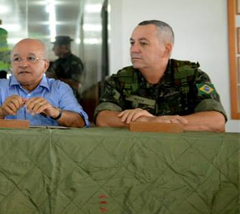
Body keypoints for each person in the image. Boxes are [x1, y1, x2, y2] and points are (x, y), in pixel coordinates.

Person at [94, 20, 226, 132]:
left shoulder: (193, 76)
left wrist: (159, 123)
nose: (134, 49)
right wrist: (148, 121)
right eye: (132, 43)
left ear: (166, 49)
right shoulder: (120, 79)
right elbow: (103, 118)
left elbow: (216, 120)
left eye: (143, 43)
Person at [0, 38, 88, 127]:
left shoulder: (60, 88)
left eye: (31, 58)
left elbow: (80, 122)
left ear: (45, 65)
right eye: (17, 59)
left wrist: (55, 113)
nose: (23, 64)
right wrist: (0, 111)